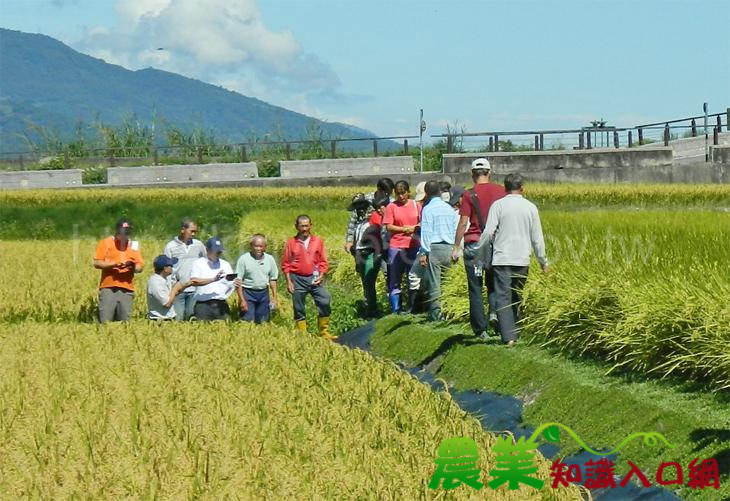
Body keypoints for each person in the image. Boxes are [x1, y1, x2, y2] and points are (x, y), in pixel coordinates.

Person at [477, 173, 549, 345]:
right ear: (522, 188)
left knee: (503, 297)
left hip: (502, 258)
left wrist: (480, 251)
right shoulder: (530, 207)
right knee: (516, 296)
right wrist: (543, 261)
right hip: (522, 259)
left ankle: (509, 337)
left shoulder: (499, 205)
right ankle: (514, 332)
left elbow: (488, 232)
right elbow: (537, 238)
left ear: (505, 188)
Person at [452, 158, 506, 339]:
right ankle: (494, 314)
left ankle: (480, 330)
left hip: (474, 244)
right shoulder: (501, 191)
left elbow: (463, 222)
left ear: (472, 174)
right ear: (490, 172)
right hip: (495, 244)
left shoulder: (469, 194)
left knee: (475, 287)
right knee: (495, 283)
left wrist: (456, 246)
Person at [282, 215, 334, 339]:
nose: (304, 229)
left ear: (311, 225)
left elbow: (323, 261)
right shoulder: (290, 243)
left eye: (306, 225)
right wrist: (289, 282)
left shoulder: (317, 241)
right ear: (296, 227)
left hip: (314, 278)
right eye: (302, 226)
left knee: (324, 299)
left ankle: (323, 332)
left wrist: (321, 275)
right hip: (297, 279)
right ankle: (302, 334)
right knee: (298, 307)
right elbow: (286, 264)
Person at [418, 181, 459, 321]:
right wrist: (456, 248)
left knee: (435, 284)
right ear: (440, 192)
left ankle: (436, 315)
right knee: (447, 282)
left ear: (427, 193)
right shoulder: (449, 209)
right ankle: (449, 312)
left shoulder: (428, 209)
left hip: (434, 248)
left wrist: (423, 252)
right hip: (449, 247)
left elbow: (426, 232)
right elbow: (455, 229)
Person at [93, 218, 144, 323]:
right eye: (123, 232)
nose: (125, 234)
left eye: (127, 232)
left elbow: (140, 266)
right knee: (105, 320)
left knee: (125, 321)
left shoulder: (134, 245)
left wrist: (132, 266)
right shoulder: (106, 243)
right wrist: (113, 264)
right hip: (108, 287)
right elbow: (97, 263)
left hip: (127, 288)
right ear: (117, 231)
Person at [383, 180, 421, 313]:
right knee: (394, 279)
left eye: (403, 193)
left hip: (414, 245)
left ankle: (412, 308)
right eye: (398, 194)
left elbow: (422, 222)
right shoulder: (391, 207)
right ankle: (396, 309)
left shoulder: (416, 206)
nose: (401, 196)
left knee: (414, 277)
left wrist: (413, 228)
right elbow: (389, 226)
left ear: (408, 192)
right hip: (396, 245)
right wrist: (404, 229)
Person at [354, 190, 390, 317]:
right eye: (358, 207)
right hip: (360, 254)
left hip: (370, 253)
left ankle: (373, 309)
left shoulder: (372, 222)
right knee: (365, 282)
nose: (360, 210)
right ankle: (369, 305)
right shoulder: (359, 224)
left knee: (369, 281)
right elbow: (357, 243)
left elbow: (376, 239)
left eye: (362, 207)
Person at [164, 218, 206, 321]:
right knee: (178, 318)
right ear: (183, 229)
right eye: (191, 231)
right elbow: (166, 268)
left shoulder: (198, 245)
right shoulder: (171, 246)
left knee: (192, 318)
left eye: (195, 232)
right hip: (178, 289)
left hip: (195, 289)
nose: (193, 234)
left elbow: (205, 262)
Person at [235, 234, 279, 324]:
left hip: (263, 293)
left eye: (261, 246)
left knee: (263, 321)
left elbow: (273, 279)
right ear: (251, 246)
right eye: (256, 246)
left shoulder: (270, 259)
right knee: (247, 320)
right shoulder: (243, 259)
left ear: (265, 247)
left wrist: (274, 297)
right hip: (248, 293)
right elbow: (238, 281)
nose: (258, 249)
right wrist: (242, 300)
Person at [344, 177, 395, 254]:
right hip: (364, 241)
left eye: (389, 193)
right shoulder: (365, 200)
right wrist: (349, 241)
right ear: (378, 188)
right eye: (385, 192)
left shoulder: (392, 202)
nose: (386, 195)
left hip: (385, 241)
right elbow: (353, 221)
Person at [189, 237, 235, 321]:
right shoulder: (198, 263)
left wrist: (233, 285)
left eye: (219, 251)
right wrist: (213, 279)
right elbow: (194, 281)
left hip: (221, 305)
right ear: (207, 250)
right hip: (203, 306)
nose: (218, 253)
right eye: (215, 251)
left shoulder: (225, 265)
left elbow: (231, 284)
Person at [147, 255, 191, 320]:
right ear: (165, 269)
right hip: (160, 320)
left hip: (169, 318)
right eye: (171, 266)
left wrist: (184, 286)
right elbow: (167, 303)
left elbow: (172, 295)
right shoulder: (155, 282)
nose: (172, 268)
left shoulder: (165, 279)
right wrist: (175, 289)